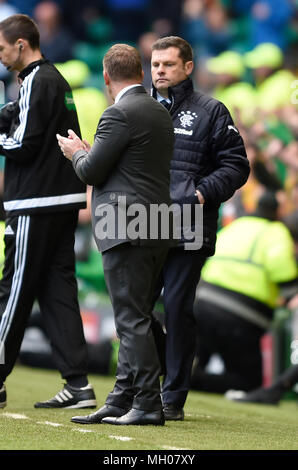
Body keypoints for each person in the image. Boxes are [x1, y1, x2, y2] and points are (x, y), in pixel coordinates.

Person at [57, 43, 175, 426]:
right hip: (156, 223)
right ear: (140, 72)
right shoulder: (158, 110)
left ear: (107, 77)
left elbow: (90, 173)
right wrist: (93, 154)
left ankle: (146, 403)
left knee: (130, 319)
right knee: (137, 314)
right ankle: (123, 396)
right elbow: (132, 166)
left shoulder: (117, 114)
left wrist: (76, 152)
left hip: (125, 225)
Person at [150, 36, 250, 420]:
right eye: (155, 64)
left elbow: (237, 165)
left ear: (187, 67)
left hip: (190, 224)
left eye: (168, 65)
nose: (159, 71)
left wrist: (203, 193)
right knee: (137, 309)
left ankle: (172, 396)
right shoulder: (137, 108)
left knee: (175, 307)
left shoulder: (211, 111)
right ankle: (144, 385)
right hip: (143, 222)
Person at [0, 14, 96, 410]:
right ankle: (78, 384)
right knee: (58, 293)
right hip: (60, 202)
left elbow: (24, 143)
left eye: (3, 48)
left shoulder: (39, 79)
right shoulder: (52, 80)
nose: (1, 56)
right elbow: (25, 122)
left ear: (21, 45)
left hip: (34, 203)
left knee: (14, 292)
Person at [191, 195, 298, 394]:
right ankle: (195, 380)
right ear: (278, 213)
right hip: (241, 315)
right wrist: (291, 291)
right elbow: (279, 265)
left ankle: (185, 376)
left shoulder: (237, 225)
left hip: (203, 303)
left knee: (197, 355)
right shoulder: (277, 232)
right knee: (248, 381)